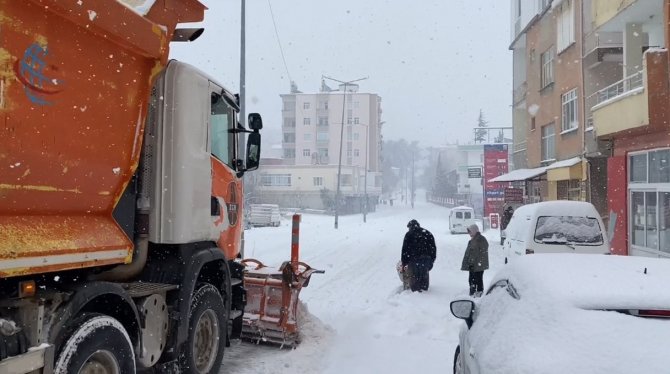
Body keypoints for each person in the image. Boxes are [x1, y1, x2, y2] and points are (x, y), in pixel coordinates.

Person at [401, 219, 437, 292]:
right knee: (424, 276)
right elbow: (433, 248)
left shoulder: (409, 235)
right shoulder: (427, 233)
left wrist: (404, 263)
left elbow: (404, 250)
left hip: (413, 260)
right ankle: (424, 290)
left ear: (410, 227)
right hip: (426, 260)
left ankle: (415, 292)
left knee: (414, 277)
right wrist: (431, 260)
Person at [461, 223, 489, 297]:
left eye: (470, 231)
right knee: (475, 279)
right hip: (477, 264)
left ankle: (476, 292)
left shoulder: (478, 239)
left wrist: (471, 262)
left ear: (474, 231)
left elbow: (475, 252)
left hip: (476, 264)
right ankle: (476, 291)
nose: (469, 233)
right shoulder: (476, 239)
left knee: (475, 279)